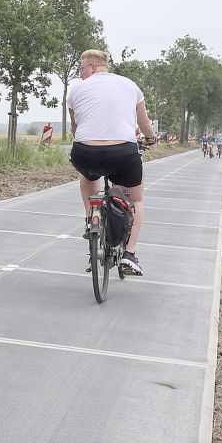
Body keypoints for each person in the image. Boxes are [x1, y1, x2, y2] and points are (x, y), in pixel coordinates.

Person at [68, 50, 156, 276]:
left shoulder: (75, 91)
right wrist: (150, 138)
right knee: (137, 199)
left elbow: (76, 130)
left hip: (84, 152)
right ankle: (129, 254)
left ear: (93, 67)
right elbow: (144, 124)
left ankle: (91, 219)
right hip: (123, 152)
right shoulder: (130, 85)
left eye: (81, 69)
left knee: (88, 177)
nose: (80, 74)